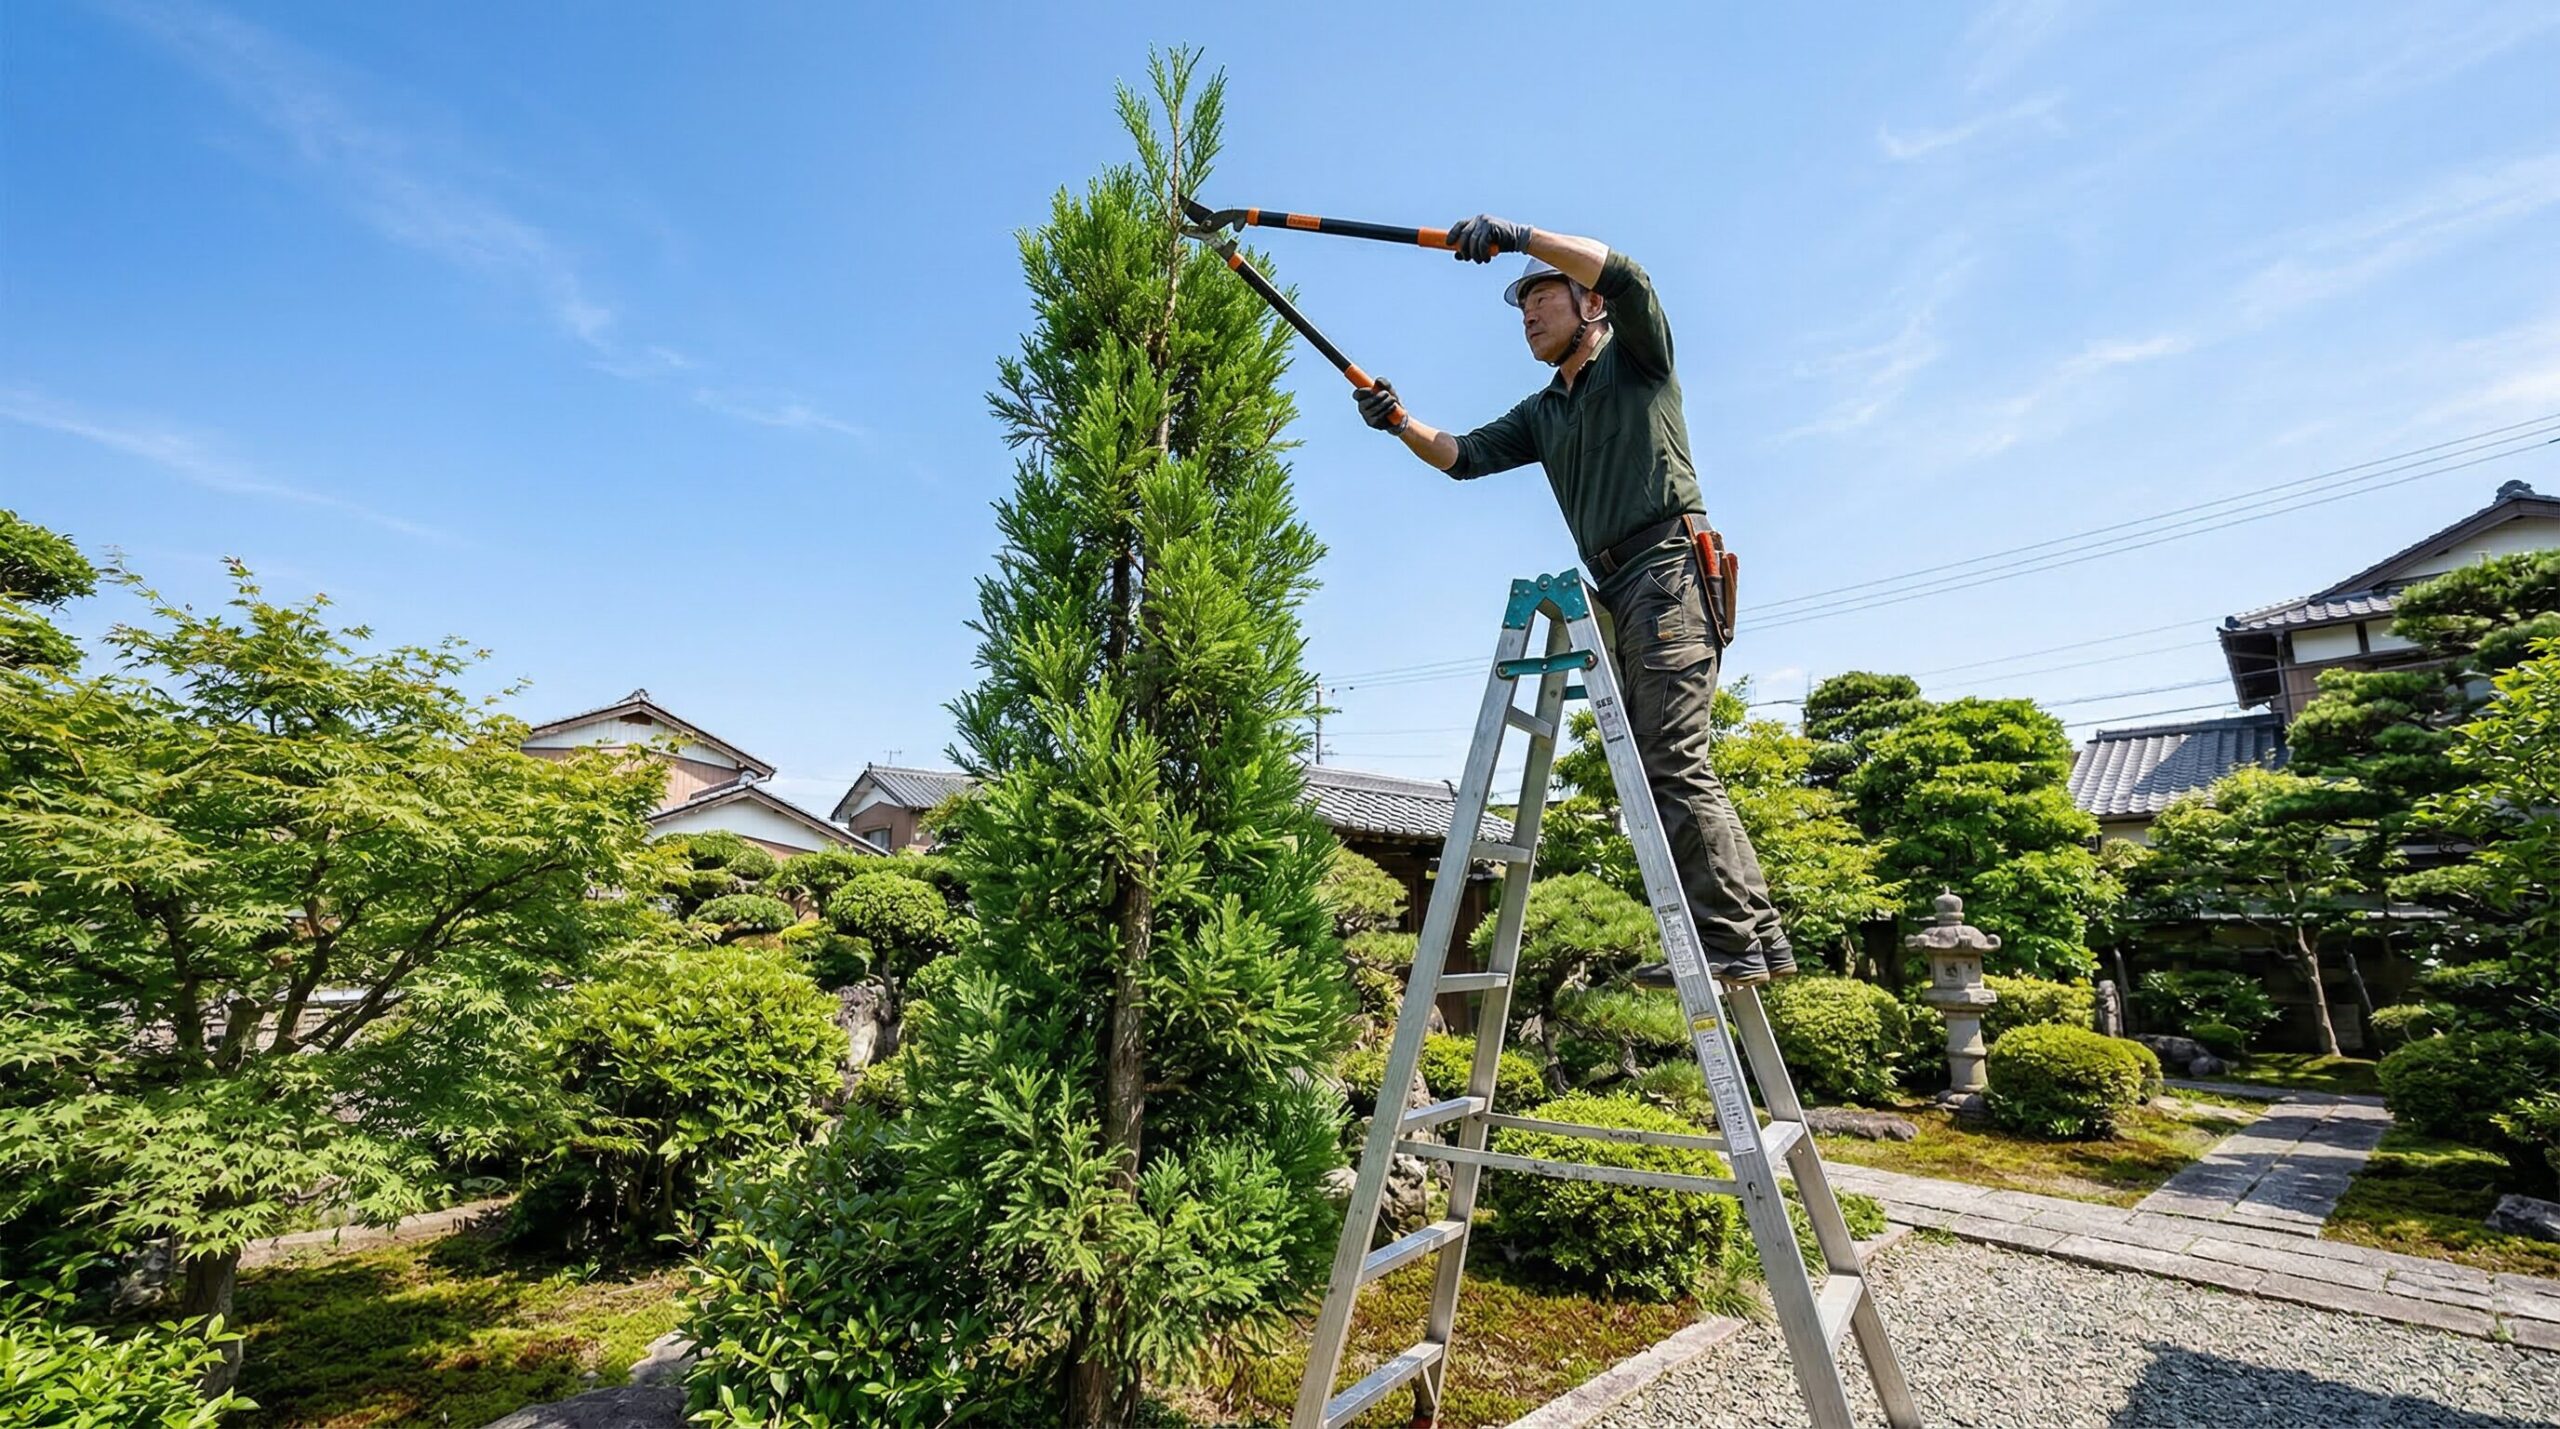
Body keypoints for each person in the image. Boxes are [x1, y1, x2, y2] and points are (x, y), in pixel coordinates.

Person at [1352, 214, 1796, 985]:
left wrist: (1521, 235)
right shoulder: (1543, 413)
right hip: (1619, 589)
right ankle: (1757, 934)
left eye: (1542, 297)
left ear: (1589, 306)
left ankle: (1730, 939)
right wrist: (1398, 423)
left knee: (1671, 758)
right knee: (1673, 761)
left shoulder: (1637, 363)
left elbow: (1630, 276)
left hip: (1668, 569)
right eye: (1522, 306)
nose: (1527, 314)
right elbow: (1461, 457)